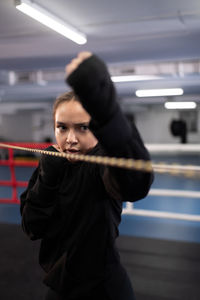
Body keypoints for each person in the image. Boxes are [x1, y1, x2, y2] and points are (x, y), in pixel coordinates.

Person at [20, 52, 154, 300]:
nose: (70, 139)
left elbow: (135, 183)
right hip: (60, 283)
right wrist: (47, 181)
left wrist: (107, 109)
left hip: (103, 287)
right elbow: (32, 227)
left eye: (83, 127)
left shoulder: (102, 163)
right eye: (62, 128)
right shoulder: (51, 163)